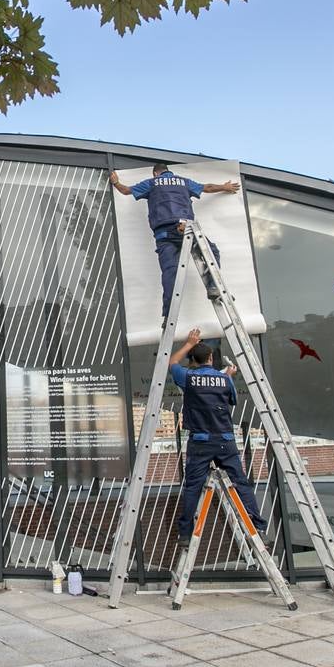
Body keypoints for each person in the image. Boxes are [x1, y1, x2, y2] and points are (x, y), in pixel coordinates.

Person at [170, 328, 265, 546]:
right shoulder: (224, 380)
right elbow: (230, 399)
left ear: (193, 360)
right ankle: (257, 526)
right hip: (224, 441)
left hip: (201, 441)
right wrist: (228, 376)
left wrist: (188, 343)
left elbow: (172, 363)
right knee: (241, 483)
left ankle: (185, 534)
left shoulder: (189, 377)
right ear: (212, 358)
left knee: (193, 487)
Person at [110, 163, 240, 316]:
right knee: (212, 252)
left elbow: (125, 191)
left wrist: (115, 181)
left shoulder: (151, 183)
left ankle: (168, 314)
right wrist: (225, 187)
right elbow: (208, 187)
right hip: (186, 229)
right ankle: (213, 287)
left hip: (163, 234)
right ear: (168, 172)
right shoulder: (183, 182)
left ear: (155, 174)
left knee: (170, 271)